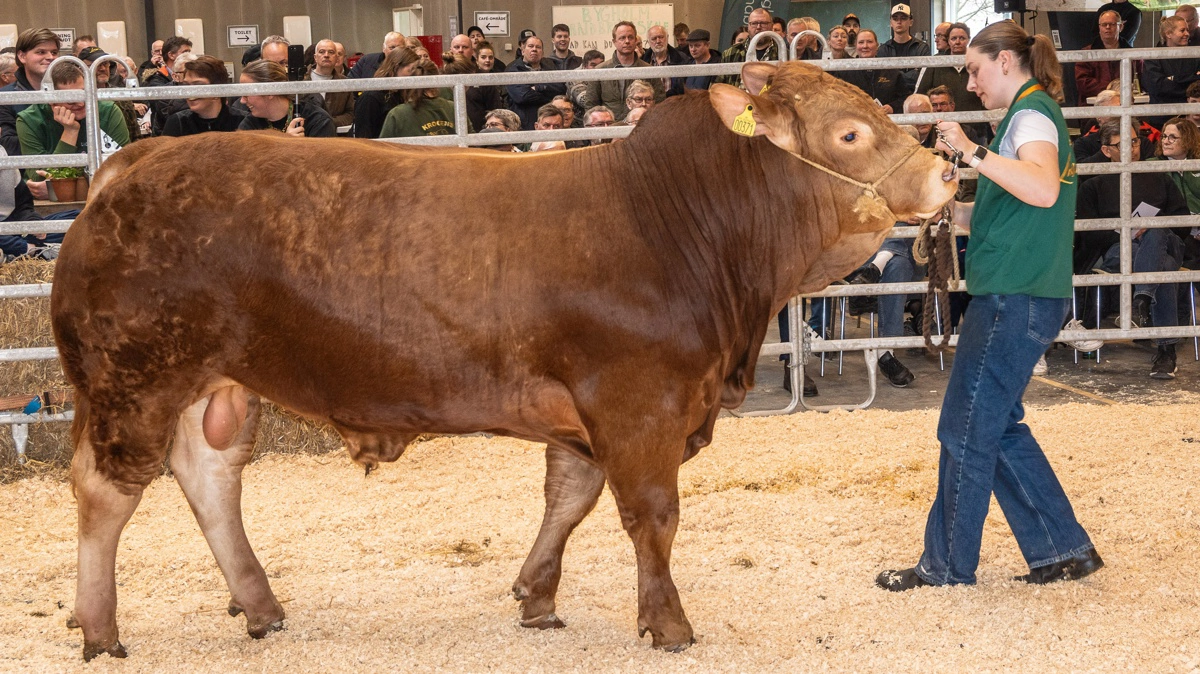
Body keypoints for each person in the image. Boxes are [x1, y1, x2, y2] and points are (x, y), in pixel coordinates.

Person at [877, 21, 1102, 592]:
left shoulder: (1027, 116)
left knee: (964, 429)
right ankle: (1062, 549)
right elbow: (1025, 202)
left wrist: (973, 151)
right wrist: (948, 205)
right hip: (1024, 291)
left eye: (975, 69)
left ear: (1005, 61)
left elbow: (1043, 188)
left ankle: (947, 565)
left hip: (1014, 295)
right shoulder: (1031, 116)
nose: (971, 82)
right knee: (997, 427)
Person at [1076, 119, 1188, 377]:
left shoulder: (1157, 176)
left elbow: (1181, 220)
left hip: (1166, 243)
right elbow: (1088, 235)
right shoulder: (1093, 184)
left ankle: (1140, 299)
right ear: (1106, 150)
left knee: (1157, 231)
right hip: (1118, 249)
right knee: (1165, 269)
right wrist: (1124, 232)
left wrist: (1150, 227)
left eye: (1135, 141)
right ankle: (1165, 351)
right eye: (1122, 143)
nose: (1132, 148)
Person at [16, 60, 129, 194]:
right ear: (51, 100)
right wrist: (70, 132)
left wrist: (64, 187)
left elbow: (125, 168)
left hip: (104, 197)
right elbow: (37, 178)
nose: (81, 104)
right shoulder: (28, 120)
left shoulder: (108, 111)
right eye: (71, 100)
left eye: (83, 95)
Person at [1, 28, 60, 159]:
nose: (50, 57)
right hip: (25, 175)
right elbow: (8, 145)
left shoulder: (70, 91)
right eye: (41, 52)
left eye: (54, 52)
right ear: (22, 56)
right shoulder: (5, 97)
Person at [238, 60, 336, 137]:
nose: (242, 101)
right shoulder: (250, 125)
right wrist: (285, 143)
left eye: (246, 94)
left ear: (270, 92)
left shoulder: (317, 121)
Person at [586, 22, 663, 119]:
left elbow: (660, 103)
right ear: (614, 41)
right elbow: (591, 105)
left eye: (630, 37)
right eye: (622, 38)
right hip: (608, 128)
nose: (627, 41)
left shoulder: (649, 71)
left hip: (639, 127)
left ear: (635, 40)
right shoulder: (600, 70)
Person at [163, 55, 245, 136]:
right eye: (186, 85)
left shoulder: (241, 121)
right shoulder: (177, 122)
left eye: (198, 85)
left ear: (218, 89)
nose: (190, 92)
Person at [1142, 16, 1200, 129]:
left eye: (1187, 30)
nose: (1187, 33)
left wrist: (1173, 79)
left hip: (1190, 121)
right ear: (1168, 34)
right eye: (1182, 30)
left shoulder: (1196, 55)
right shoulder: (1152, 57)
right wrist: (1190, 81)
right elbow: (1157, 87)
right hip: (1161, 120)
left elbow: (1197, 87)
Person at [379, 59, 461, 138]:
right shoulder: (454, 108)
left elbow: (383, 149)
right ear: (437, 79)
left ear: (408, 81)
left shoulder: (397, 115)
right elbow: (470, 143)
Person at [352, 47, 420, 139]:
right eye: (411, 70)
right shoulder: (370, 98)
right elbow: (363, 137)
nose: (414, 75)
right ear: (396, 67)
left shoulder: (400, 94)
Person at [833, 30, 906, 114]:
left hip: (885, 122)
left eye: (869, 42)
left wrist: (893, 107)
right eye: (861, 42)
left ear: (877, 45)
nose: (865, 46)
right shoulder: (844, 71)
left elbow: (904, 97)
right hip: (855, 121)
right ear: (855, 46)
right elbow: (837, 98)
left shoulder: (891, 70)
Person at [1075, 10, 1138, 105]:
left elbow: (1140, 81)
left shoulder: (1133, 55)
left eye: (1112, 24)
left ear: (1120, 27)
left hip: (1126, 105)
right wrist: (1112, 88)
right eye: (1104, 24)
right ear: (1099, 27)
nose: (1107, 27)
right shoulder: (1086, 54)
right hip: (1094, 108)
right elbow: (1082, 83)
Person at [506, 37, 566, 130]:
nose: (534, 49)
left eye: (538, 47)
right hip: (524, 127)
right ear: (522, 51)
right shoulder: (513, 70)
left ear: (542, 52)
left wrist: (538, 88)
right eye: (530, 46)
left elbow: (560, 88)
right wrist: (548, 95)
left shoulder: (550, 67)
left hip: (549, 125)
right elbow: (522, 97)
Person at [721, 9, 777, 87]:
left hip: (768, 98)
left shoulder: (782, 52)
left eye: (763, 23)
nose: (758, 27)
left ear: (771, 26)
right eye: (754, 23)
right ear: (748, 26)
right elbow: (718, 87)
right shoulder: (730, 53)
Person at [878, 3, 928, 91]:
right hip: (890, 99)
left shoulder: (921, 48)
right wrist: (911, 73)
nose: (899, 21)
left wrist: (894, 75)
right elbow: (882, 80)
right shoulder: (883, 49)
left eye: (903, 18)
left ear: (911, 22)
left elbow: (922, 79)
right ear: (891, 23)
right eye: (895, 18)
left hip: (915, 97)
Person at [307, 39, 355, 128]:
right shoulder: (302, 79)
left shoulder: (344, 83)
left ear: (337, 58)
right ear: (315, 57)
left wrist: (328, 122)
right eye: (322, 52)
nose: (326, 55)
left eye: (331, 52)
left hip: (334, 136)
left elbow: (350, 114)